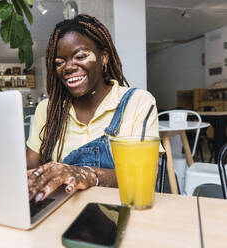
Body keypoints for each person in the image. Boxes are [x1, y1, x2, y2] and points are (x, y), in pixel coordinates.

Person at [26, 14, 160, 203]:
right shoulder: (47, 109)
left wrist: (85, 174)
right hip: (60, 211)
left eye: (80, 56)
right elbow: (30, 167)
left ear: (104, 58)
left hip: (119, 210)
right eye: (59, 62)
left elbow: (142, 176)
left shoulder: (137, 102)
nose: (68, 67)